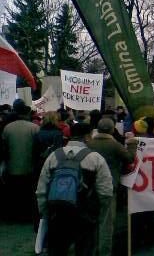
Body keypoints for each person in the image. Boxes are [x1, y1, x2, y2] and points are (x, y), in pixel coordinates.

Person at [36, 122, 113, 256]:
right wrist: (100, 211)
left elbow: (41, 190)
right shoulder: (96, 158)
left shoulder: (54, 155)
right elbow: (105, 192)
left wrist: (45, 212)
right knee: (84, 249)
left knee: (58, 249)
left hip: (57, 213)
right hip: (85, 214)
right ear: (88, 137)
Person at [87, 118, 137, 255]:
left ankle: (91, 250)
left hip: (90, 187)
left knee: (93, 222)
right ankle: (104, 252)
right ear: (112, 129)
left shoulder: (89, 144)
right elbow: (129, 158)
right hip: (109, 187)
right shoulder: (113, 145)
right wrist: (132, 143)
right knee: (106, 223)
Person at [1, 99, 39, 222]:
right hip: (29, 166)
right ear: (27, 114)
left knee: (13, 194)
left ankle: (13, 216)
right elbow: (37, 148)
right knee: (27, 193)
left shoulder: (8, 128)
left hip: (12, 166)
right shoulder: (35, 128)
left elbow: (4, 147)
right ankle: (26, 216)